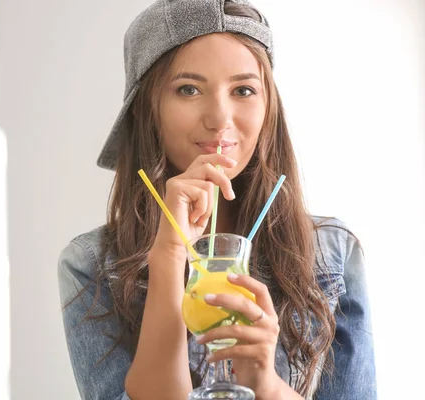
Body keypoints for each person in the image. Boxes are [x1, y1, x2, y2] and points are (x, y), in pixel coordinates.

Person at [58, 0, 376, 399]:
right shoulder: (89, 265)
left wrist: (267, 384)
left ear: (267, 108)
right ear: (147, 110)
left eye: (243, 89)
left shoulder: (333, 253)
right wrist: (168, 259)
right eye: (188, 89)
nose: (220, 118)